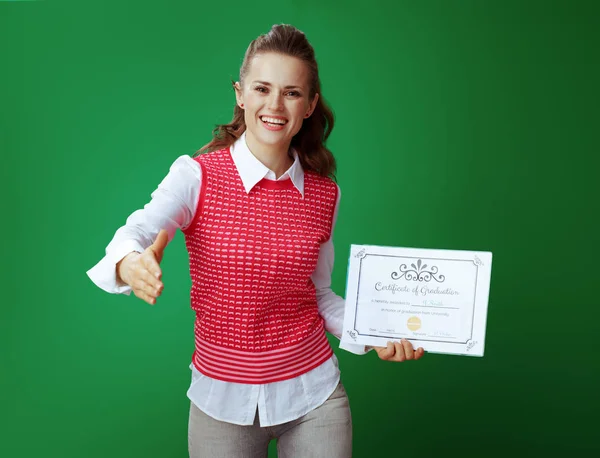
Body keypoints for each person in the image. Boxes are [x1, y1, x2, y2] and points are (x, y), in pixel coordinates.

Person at [87, 23, 424, 458]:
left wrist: (374, 333)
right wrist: (127, 262)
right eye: (262, 88)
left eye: (292, 92)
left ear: (309, 105)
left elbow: (318, 295)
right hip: (219, 404)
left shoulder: (325, 193)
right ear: (240, 94)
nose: (275, 105)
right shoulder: (196, 176)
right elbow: (137, 230)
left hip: (315, 398)